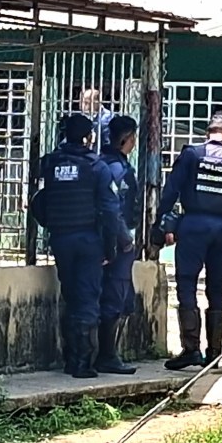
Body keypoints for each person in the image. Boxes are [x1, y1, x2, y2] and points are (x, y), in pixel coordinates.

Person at [158, 114, 222, 370]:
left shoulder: (192, 154)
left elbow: (171, 189)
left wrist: (160, 219)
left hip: (193, 225)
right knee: (217, 287)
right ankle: (214, 351)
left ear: (207, 134)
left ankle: (191, 348)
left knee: (187, 283)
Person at [31, 113, 119, 379]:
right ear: (89, 137)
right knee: (87, 298)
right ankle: (82, 363)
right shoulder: (96, 166)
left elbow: (38, 199)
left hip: (60, 238)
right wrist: (110, 246)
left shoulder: (51, 162)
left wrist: (50, 222)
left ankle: (72, 357)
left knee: (70, 295)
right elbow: (110, 210)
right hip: (88, 240)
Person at [96, 115, 140, 375]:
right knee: (115, 297)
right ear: (127, 139)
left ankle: (109, 353)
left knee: (123, 299)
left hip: (102, 240)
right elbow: (114, 210)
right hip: (114, 242)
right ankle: (107, 355)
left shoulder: (101, 163)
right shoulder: (117, 169)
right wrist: (124, 241)